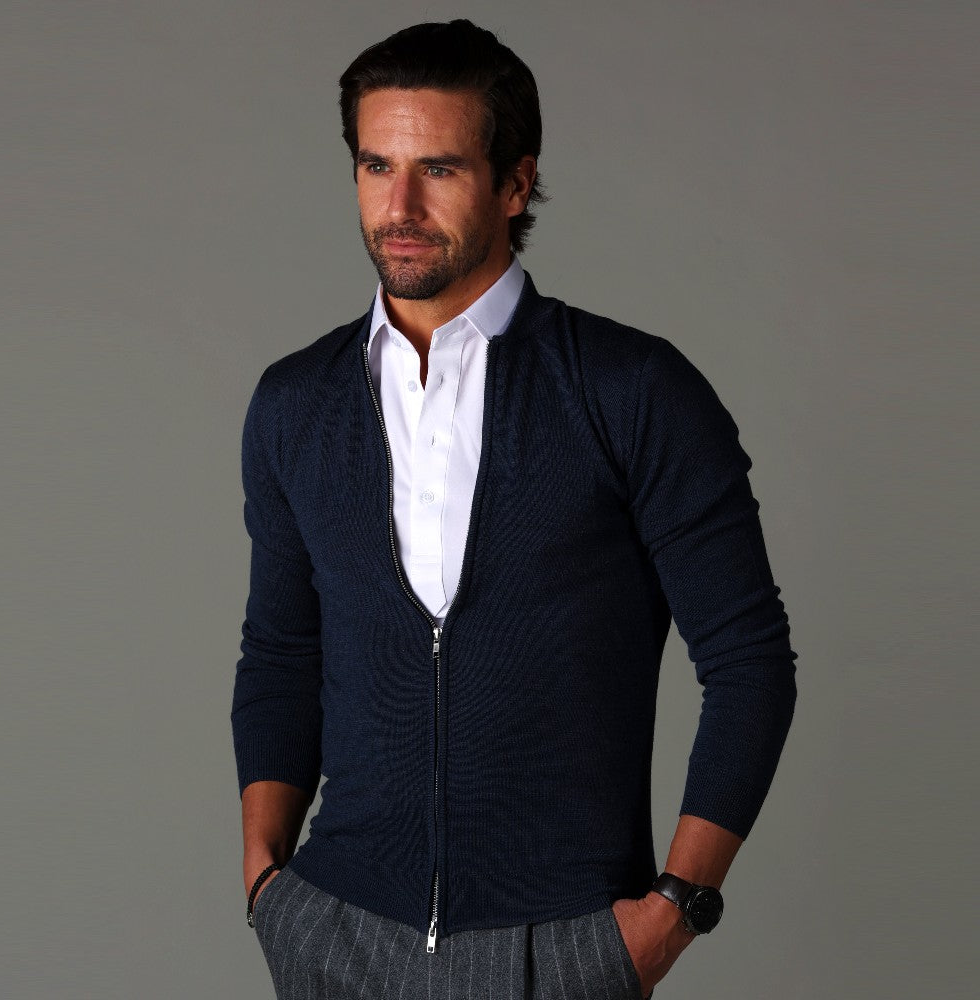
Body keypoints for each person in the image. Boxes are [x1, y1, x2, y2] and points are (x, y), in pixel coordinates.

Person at [230, 19, 797, 1000]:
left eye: (439, 170)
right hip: (334, 934)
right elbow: (281, 652)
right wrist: (266, 887)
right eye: (376, 165)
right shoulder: (294, 403)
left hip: (561, 945)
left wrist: (671, 913)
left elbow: (749, 661)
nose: (399, 207)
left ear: (515, 184)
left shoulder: (630, 390)